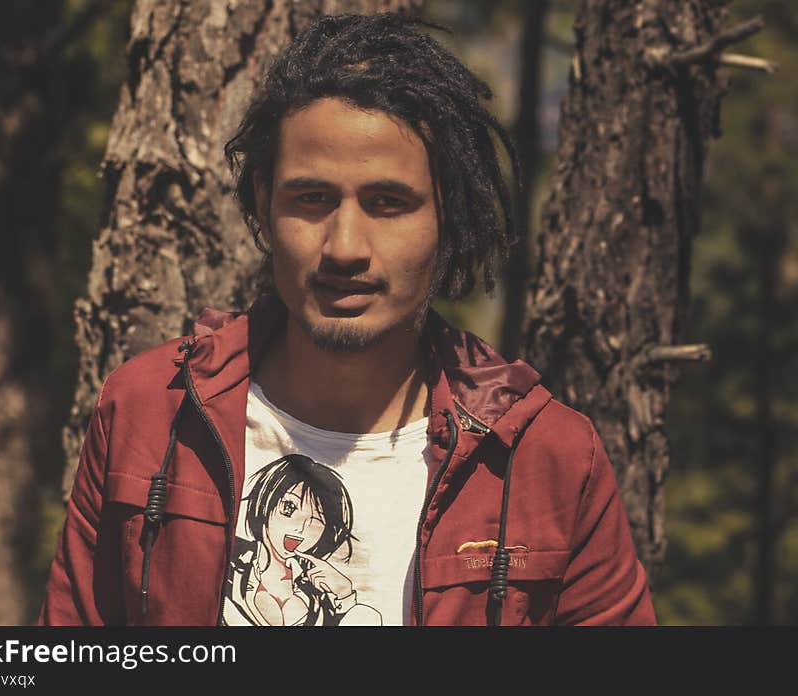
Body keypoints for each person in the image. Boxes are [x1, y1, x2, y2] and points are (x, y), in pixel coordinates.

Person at [39, 13, 657, 626]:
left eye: (389, 203)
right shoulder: (149, 413)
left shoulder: (546, 458)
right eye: (312, 199)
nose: (345, 247)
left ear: (450, 216)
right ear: (262, 201)